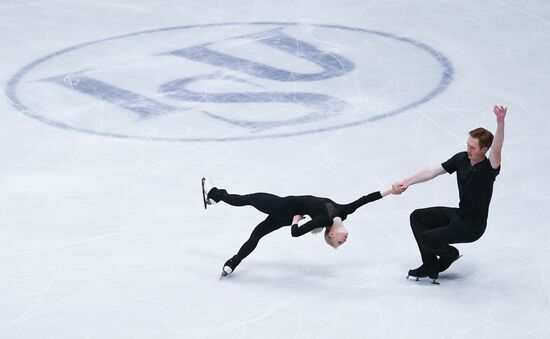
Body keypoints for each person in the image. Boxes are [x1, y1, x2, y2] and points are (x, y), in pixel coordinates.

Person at [393, 105, 507, 283]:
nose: (468, 150)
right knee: (417, 217)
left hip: (472, 226)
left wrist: (500, 123)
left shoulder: (489, 168)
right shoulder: (461, 158)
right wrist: (407, 182)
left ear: (484, 150)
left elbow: (497, 149)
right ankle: (430, 265)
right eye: (467, 145)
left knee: (427, 239)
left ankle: (449, 254)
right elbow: (433, 171)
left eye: (473, 147)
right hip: (459, 215)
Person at [202, 178, 400, 277]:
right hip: (284, 213)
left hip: (281, 207)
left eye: (338, 242)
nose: (344, 241)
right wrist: (392, 189)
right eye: (342, 241)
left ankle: (214, 193)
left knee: (249, 199)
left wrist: (296, 219)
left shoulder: (323, 220)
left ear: (331, 233)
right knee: (257, 235)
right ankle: (232, 264)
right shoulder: (345, 211)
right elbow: (367, 199)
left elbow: (295, 233)